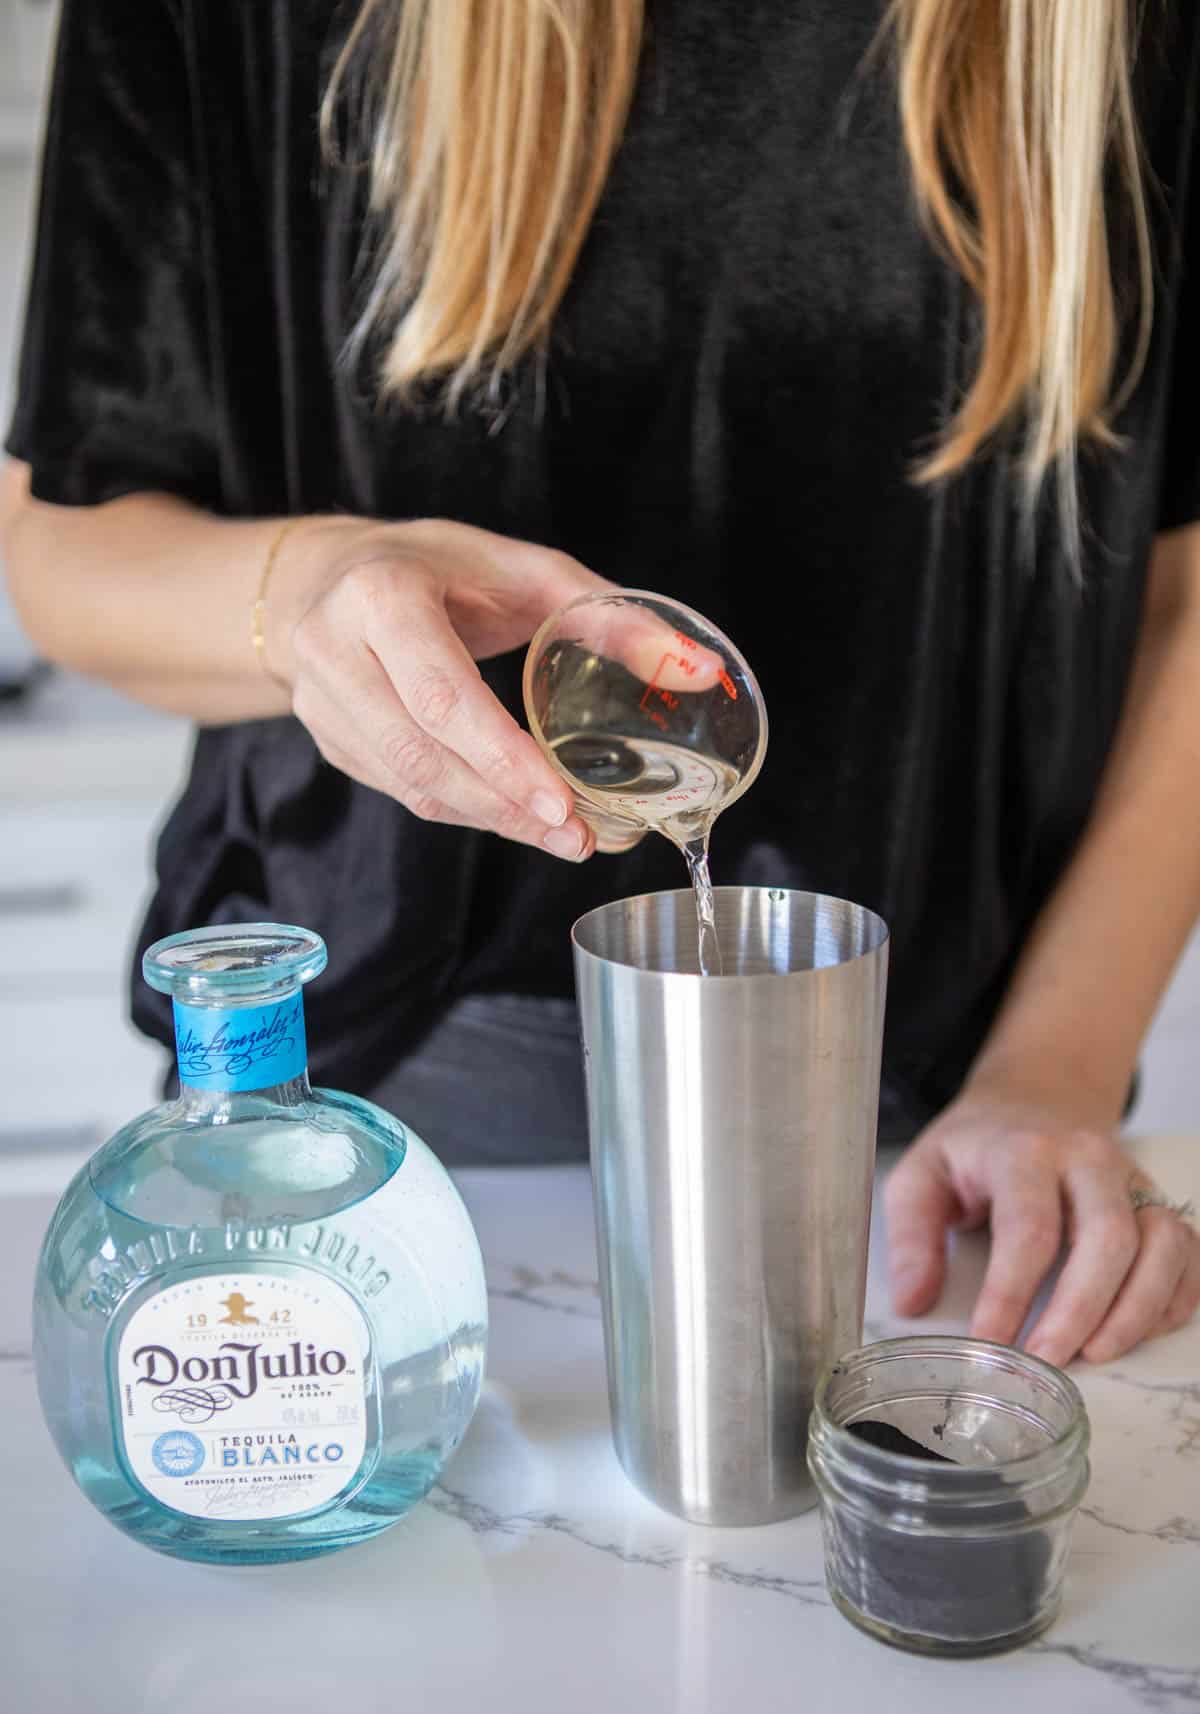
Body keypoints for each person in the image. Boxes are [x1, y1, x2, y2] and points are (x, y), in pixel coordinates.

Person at [3, 0, 1199, 1369]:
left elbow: (1186, 597)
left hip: (942, 1109)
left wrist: (1054, 1070)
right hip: (385, 1108)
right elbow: (64, 548)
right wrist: (313, 593)